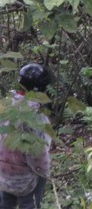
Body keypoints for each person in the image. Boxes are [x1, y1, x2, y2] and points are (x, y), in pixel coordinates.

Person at [0, 64, 52, 209]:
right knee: (30, 203)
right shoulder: (37, 118)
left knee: (5, 203)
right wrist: (45, 172)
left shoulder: (6, 107)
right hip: (25, 180)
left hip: (3, 176)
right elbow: (38, 154)